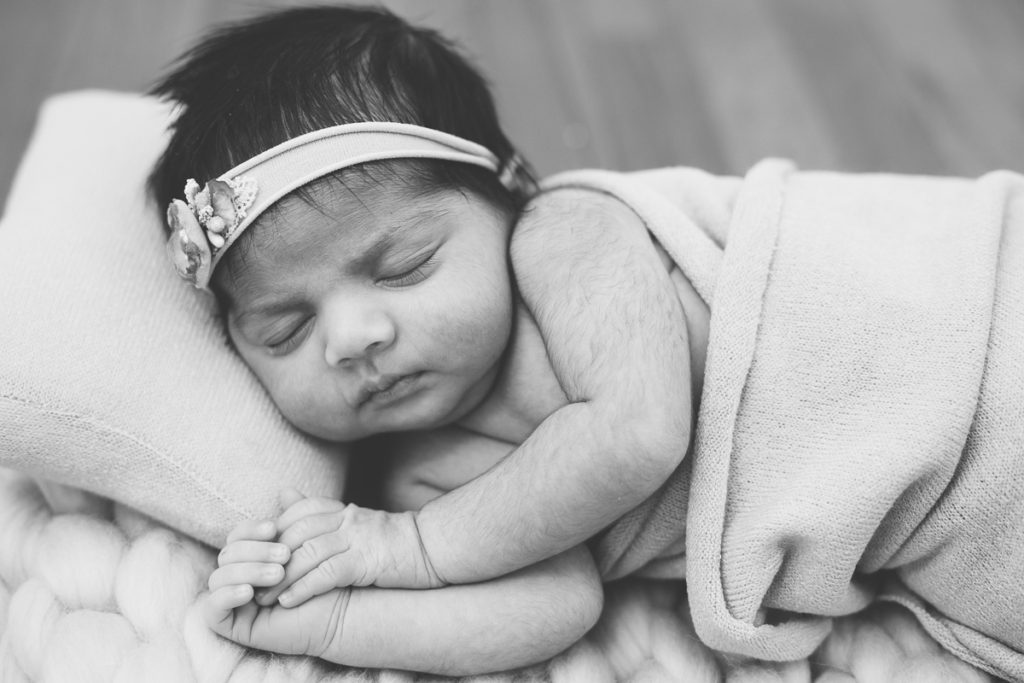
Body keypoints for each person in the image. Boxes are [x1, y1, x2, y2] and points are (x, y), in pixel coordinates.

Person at [149, 4, 698, 676]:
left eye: (403, 266)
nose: (350, 340)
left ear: (511, 187)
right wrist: (330, 619)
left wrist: (414, 546)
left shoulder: (564, 233)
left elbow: (639, 427)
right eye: (283, 329)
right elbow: (557, 602)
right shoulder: (416, 470)